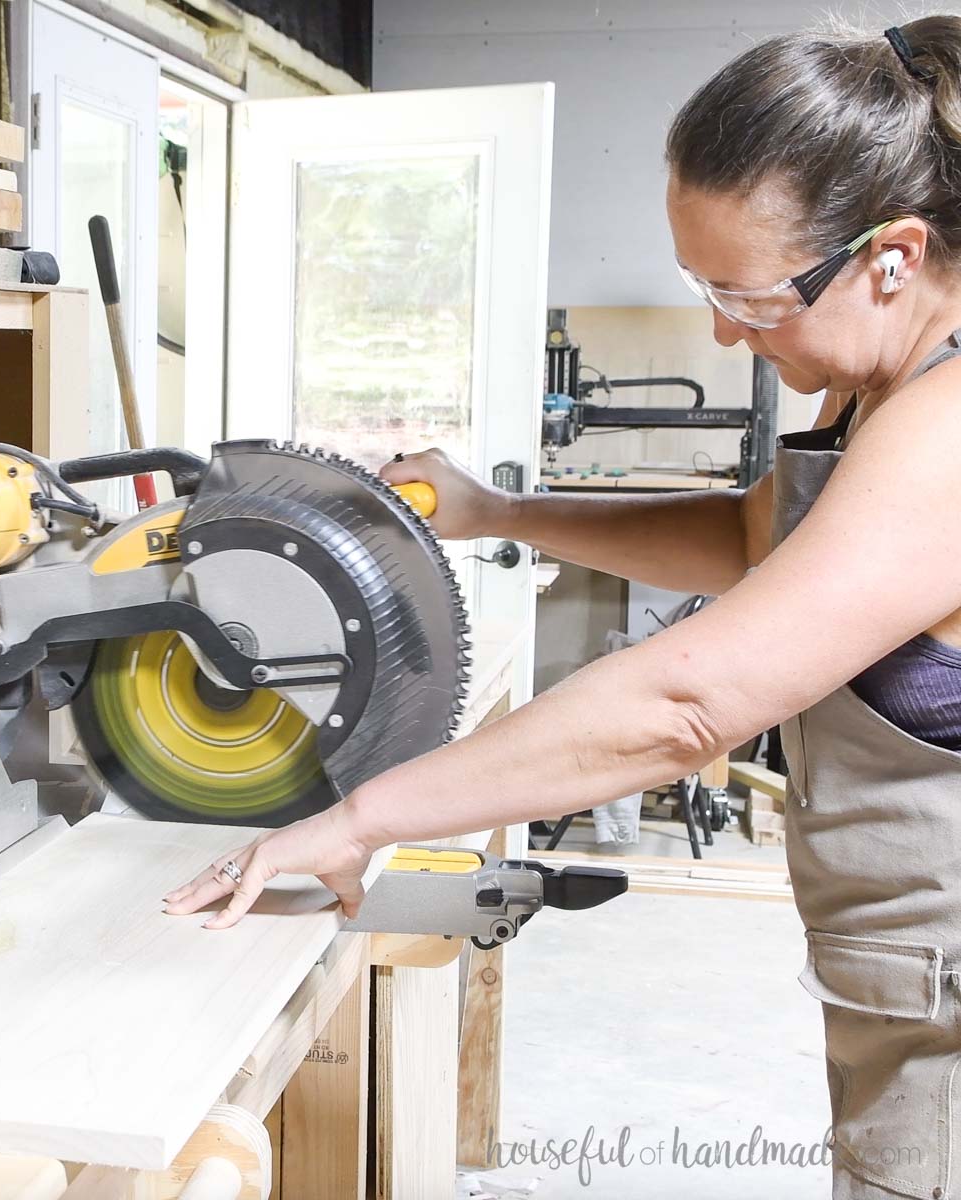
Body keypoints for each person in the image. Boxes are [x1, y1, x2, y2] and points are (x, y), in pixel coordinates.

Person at [165, 17, 961, 1198]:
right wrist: (494, 511)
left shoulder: (945, 430)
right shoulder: (881, 393)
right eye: (705, 287)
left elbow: (684, 704)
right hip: (900, 975)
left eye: (746, 296)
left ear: (890, 257)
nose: (718, 331)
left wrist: (361, 819)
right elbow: (756, 533)